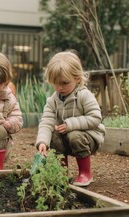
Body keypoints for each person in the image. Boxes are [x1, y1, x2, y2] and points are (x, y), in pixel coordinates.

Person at [35, 50, 106, 186]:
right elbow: (46, 122)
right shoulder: (53, 100)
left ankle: (85, 174)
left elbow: (95, 117)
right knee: (53, 135)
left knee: (74, 135)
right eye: (55, 83)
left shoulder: (84, 95)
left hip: (89, 137)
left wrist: (70, 124)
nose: (59, 87)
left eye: (64, 83)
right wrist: (43, 142)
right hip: (66, 137)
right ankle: (61, 173)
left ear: (77, 78)